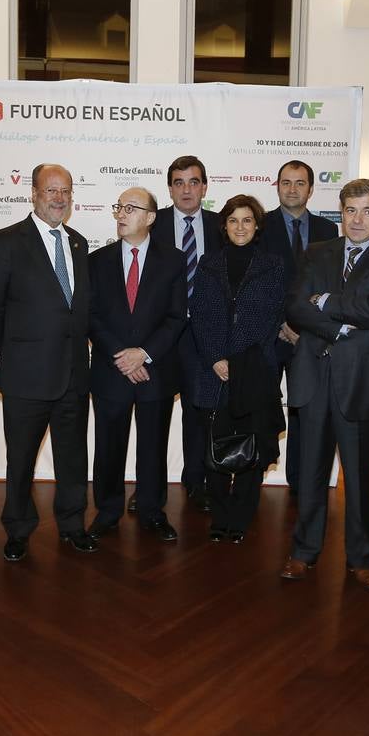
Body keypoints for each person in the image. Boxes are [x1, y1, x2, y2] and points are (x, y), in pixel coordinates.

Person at [281, 179, 369, 590]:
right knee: (310, 476)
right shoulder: (317, 252)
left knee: (358, 478)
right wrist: (341, 324)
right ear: (340, 212)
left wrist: (326, 302)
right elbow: (296, 307)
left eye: (367, 211)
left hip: (362, 383)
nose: (357, 220)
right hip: (314, 377)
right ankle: (303, 553)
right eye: (350, 211)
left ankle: (361, 559)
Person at [0, 164, 94, 561]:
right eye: (51, 190)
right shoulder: (6, 242)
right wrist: (17, 352)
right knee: (21, 460)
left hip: (75, 374)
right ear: (33, 193)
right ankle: (18, 528)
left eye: (66, 190)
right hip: (25, 376)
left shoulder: (79, 243)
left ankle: (73, 525)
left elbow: (80, 311)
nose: (59, 198)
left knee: (73, 458)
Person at [88, 187, 186, 542]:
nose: (121, 214)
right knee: (108, 447)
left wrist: (143, 353)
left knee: (153, 446)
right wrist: (123, 356)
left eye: (131, 208)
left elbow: (176, 317)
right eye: (118, 207)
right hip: (110, 370)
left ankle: (151, 511)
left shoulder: (173, 260)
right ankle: (107, 511)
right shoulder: (97, 260)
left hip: (154, 370)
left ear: (150, 217)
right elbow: (92, 317)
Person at [190, 195, 287, 543]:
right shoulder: (207, 264)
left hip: (253, 370)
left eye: (247, 220)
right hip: (212, 371)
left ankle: (241, 518)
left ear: (257, 225)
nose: (240, 227)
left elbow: (271, 316)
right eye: (233, 220)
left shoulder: (273, 265)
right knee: (214, 451)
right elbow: (199, 314)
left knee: (251, 449)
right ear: (224, 225)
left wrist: (238, 359)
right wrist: (216, 357)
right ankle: (220, 518)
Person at [257, 159, 336, 497]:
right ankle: (253, 480)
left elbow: (332, 287)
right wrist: (281, 325)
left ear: (311, 189)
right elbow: (255, 285)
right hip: (271, 337)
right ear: (277, 186)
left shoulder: (328, 231)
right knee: (264, 410)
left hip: (311, 339)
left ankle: (303, 482)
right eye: (286, 182)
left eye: (299, 183)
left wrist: (305, 327)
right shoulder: (260, 226)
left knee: (306, 411)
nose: (292, 189)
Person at [152, 156, 225, 513]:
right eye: (178, 182)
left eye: (193, 182)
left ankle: (196, 481)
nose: (186, 189)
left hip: (205, 336)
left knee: (199, 412)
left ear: (205, 187)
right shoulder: (153, 223)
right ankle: (150, 488)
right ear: (169, 189)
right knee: (155, 413)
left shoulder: (221, 226)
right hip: (162, 335)